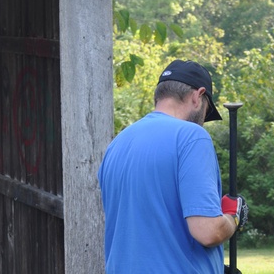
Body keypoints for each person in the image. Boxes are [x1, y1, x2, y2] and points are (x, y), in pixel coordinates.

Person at [98, 60, 248, 273]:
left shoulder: (117, 145)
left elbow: (146, 229)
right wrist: (233, 216)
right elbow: (207, 231)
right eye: (207, 112)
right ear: (198, 96)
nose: (203, 122)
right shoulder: (191, 137)